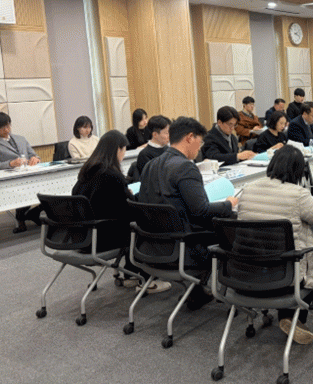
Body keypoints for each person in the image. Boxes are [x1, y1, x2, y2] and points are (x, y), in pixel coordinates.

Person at [139, 116, 239, 309]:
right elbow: (201, 210)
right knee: (232, 227)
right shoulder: (185, 167)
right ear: (189, 137)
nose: (200, 149)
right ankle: (235, 293)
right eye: (199, 142)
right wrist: (228, 204)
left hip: (152, 245)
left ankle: (197, 292)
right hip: (184, 247)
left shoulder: (151, 165)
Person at [237, 145, 313, 344]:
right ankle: (292, 316)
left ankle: (288, 314)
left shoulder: (248, 189)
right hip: (285, 273)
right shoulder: (298, 194)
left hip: (247, 269)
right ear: (299, 171)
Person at [72, 130, 170, 293]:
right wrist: (137, 199)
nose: (124, 154)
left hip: (83, 236)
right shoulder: (111, 175)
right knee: (144, 224)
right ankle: (148, 281)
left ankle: (130, 275)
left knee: (132, 225)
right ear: (118, 149)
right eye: (124, 150)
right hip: (103, 237)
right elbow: (127, 211)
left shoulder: (86, 172)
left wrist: (127, 195)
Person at [0, 112, 42, 233]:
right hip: (11, 181)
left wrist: (35, 159)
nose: (7, 129)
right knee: (22, 192)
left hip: (29, 175)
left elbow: (34, 155)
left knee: (47, 192)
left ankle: (32, 214)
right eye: (2, 127)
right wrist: (10, 163)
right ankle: (21, 217)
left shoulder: (21, 139)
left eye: (8, 125)